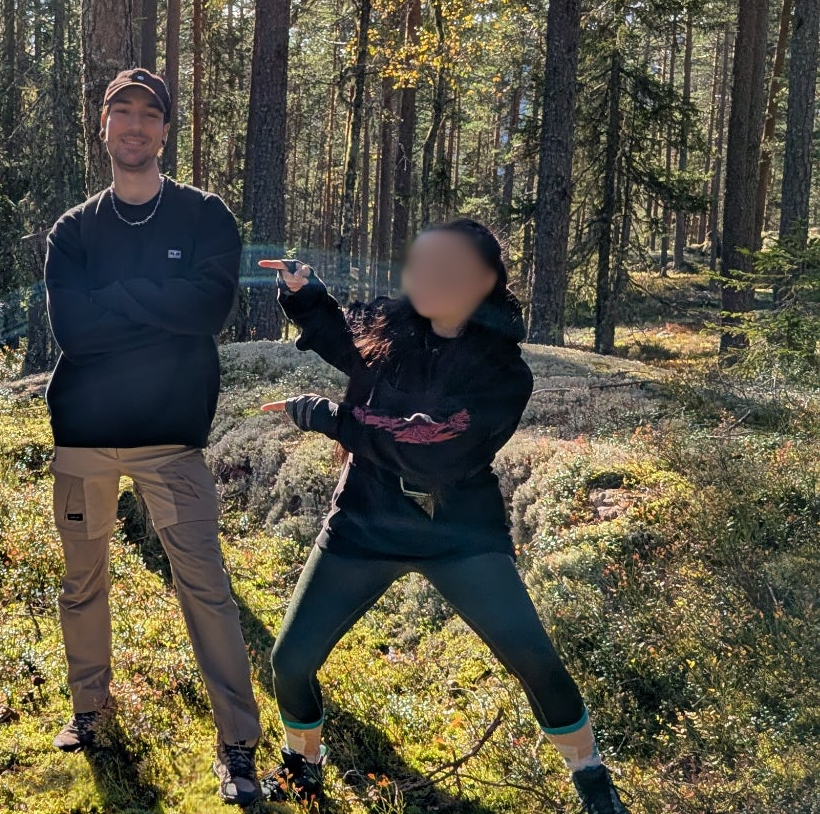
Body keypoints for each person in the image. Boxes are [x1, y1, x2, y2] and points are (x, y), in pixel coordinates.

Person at [254, 218, 630, 813]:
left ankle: (592, 782)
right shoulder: (391, 329)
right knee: (290, 661)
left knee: (534, 659)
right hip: (365, 524)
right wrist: (305, 295)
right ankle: (303, 765)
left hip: (460, 536)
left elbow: (432, 449)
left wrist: (328, 418)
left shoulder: (504, 372)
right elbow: (340, 338)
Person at [42, 67, 265, 805]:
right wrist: (158, 308)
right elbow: (72, 329)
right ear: (102, 127)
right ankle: (89, 713)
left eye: (149, 114)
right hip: (83, 437)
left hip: (172, 442)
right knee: (84, 582)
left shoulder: (206, 217)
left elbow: (210, 311)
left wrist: (117, 303)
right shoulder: (72, 231)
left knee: (206, 586)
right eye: (121, 113)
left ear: (166, 130)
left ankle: (237, 744)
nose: (135, 126)